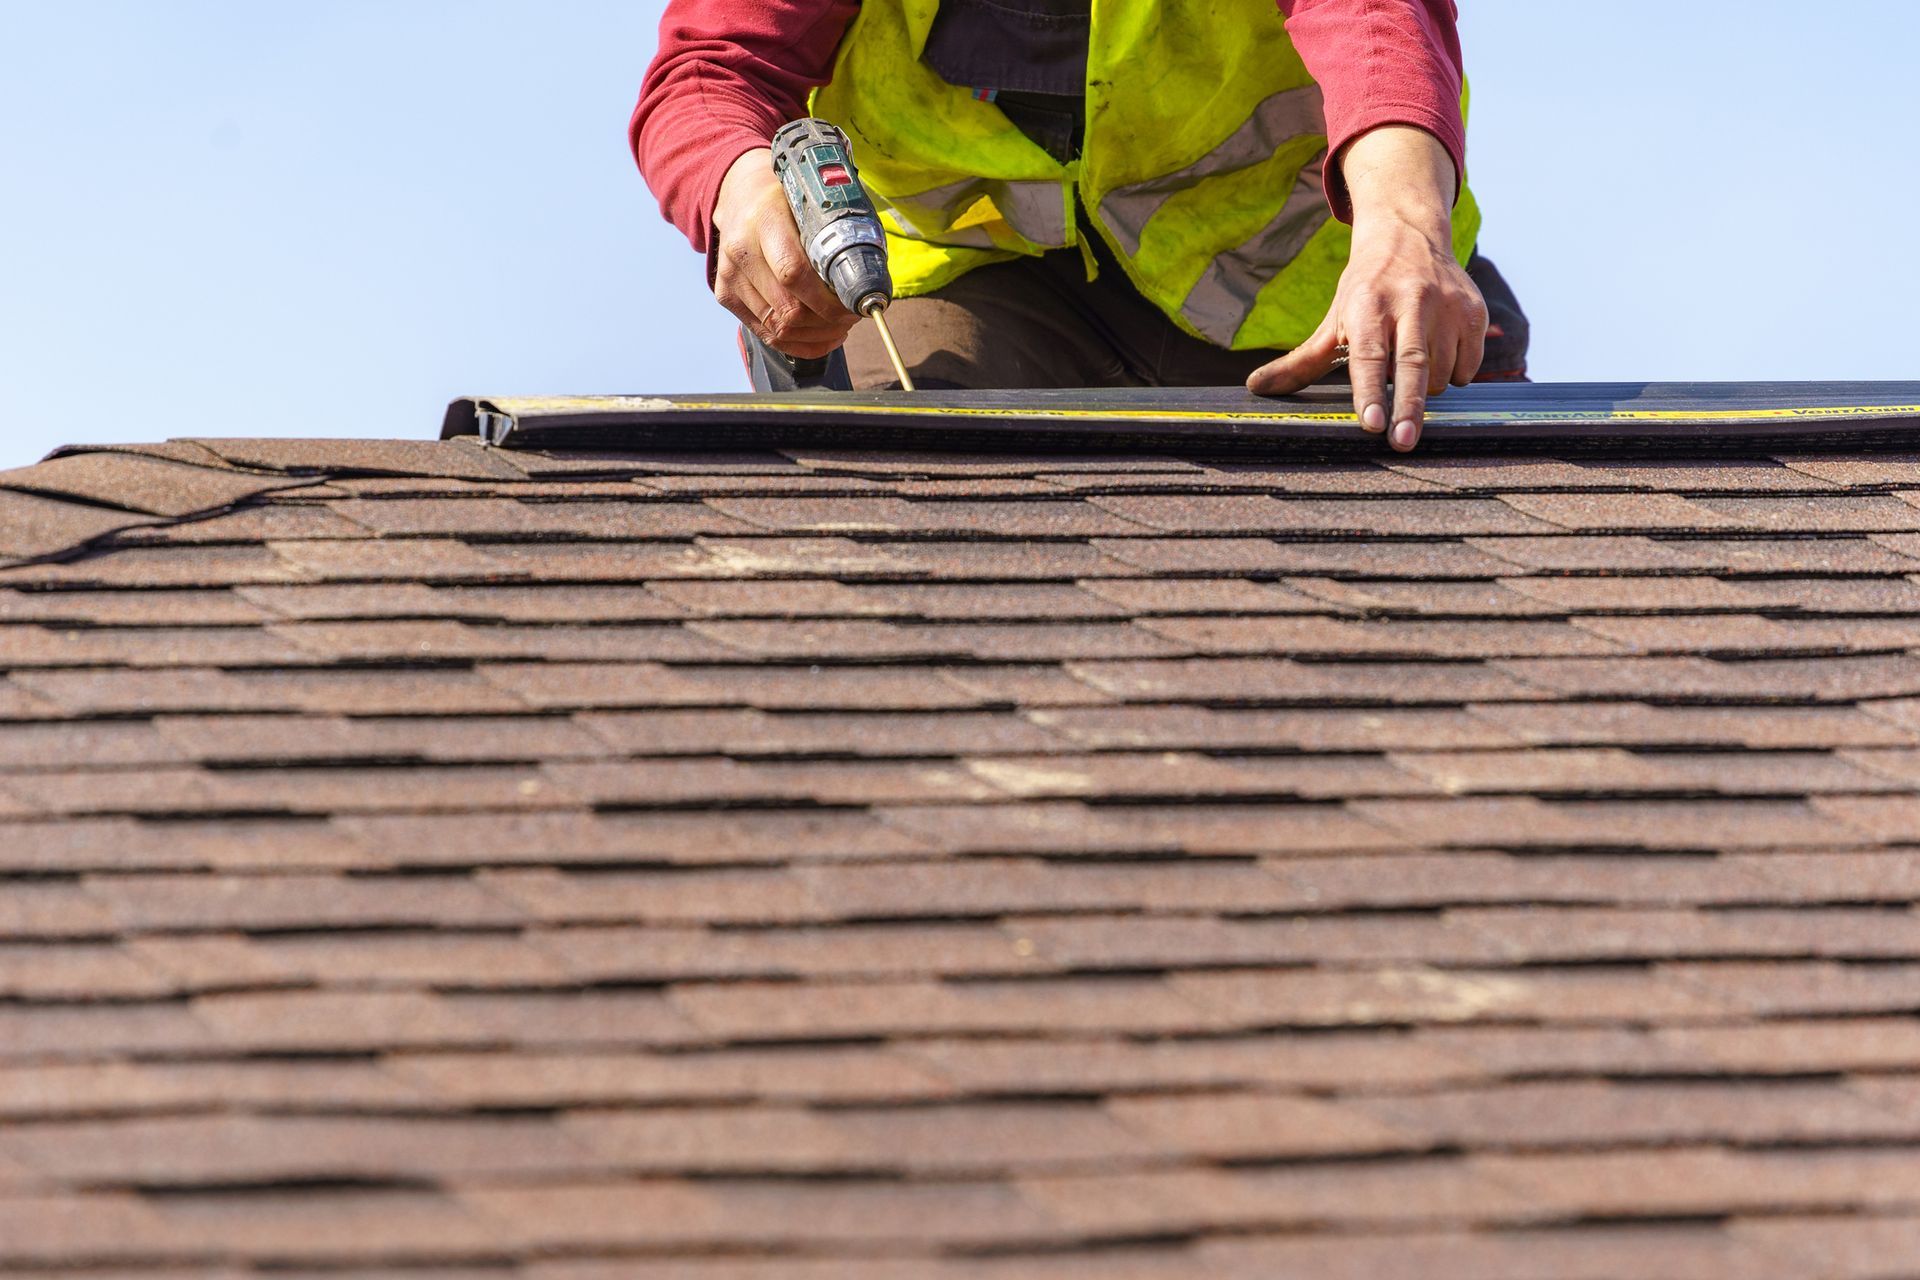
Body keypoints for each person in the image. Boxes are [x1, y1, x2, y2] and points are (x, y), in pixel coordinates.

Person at [632, 0, 1530, 452]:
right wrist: (740, 190)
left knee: (1384, 486)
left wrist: (1406, 228)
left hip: (1290, 292)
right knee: (922, 467)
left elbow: (1374, 19)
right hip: (956, 276)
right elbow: (712, 69)